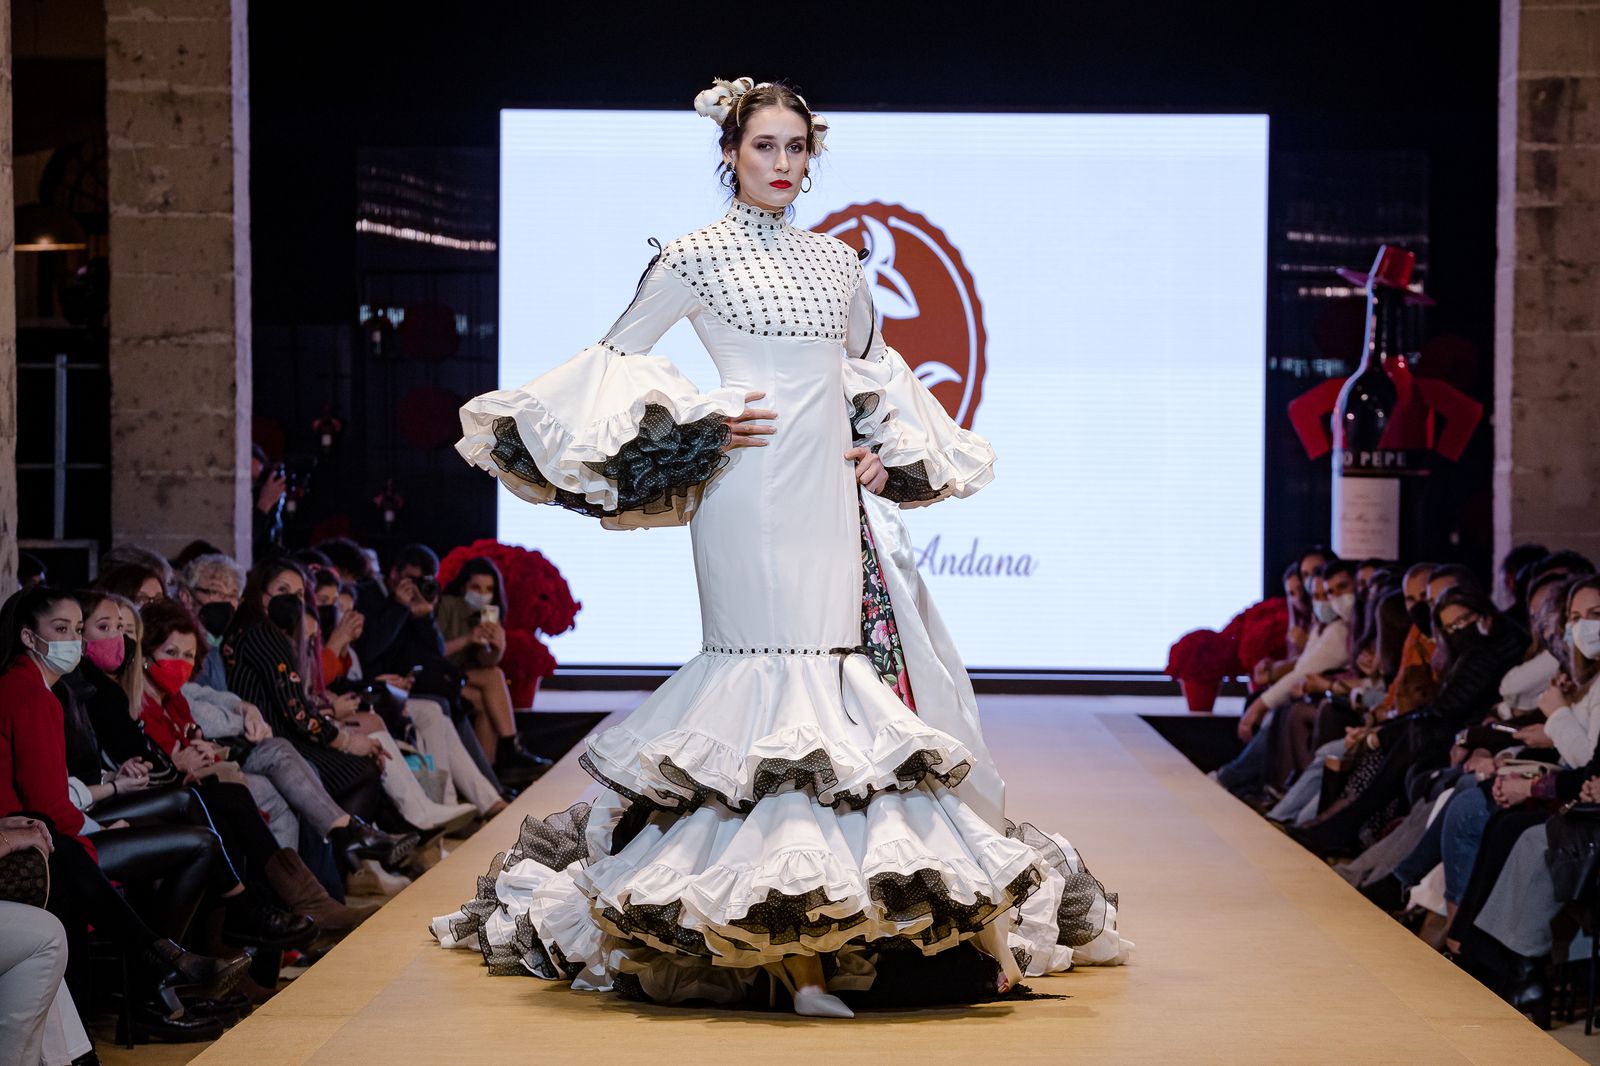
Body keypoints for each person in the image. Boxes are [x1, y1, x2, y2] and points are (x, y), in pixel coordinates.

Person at [431, 77, 1128, 1018]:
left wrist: (880, 455)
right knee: (764, 688)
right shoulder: (693, 255)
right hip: (745, 495)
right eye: (764, 146)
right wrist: (700, 426)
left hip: (827, 498)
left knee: (833, 694)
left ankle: (824, 934)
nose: (783, 163)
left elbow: (875, 373)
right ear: (730, 153)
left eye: (797, 148)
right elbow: (614, 359)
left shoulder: (839, 263)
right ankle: (789, 960)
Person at [0, 587, 250, 1040]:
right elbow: (48, 806)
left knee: (192, 820)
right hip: (47, 841)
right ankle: (158, 980)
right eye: (61, 629)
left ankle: (166, 972)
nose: (73, 641)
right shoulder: (31, 694)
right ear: (27, 636)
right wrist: (103, 825)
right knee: (199, 843)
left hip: (54, 832)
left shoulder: (34, 687)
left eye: (77, 630)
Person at [221, 560, 417, 871]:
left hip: (278, 738)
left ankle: (371, 850)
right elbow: (297, 712)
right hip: (272, 743)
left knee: (366, 763)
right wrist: (346, 742)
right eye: (282, 590)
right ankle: (347, 860)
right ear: (260, 594)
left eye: (299, 594)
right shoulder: (263, 633)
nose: (292, 600)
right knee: (364, 769)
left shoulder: (251, 631)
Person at [437, 556, 549, 780]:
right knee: (494, 677)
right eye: (476, 587)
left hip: (460, 678)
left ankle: (488, 777)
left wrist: (498, 647)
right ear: (464, 586)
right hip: (437, 674)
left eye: (488, 589)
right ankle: (509, 749)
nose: (482, 594)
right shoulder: (447, 604)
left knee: (485, 700)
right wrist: (468, 638)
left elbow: (485, 661)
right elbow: (433, 651)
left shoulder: (487, 613)